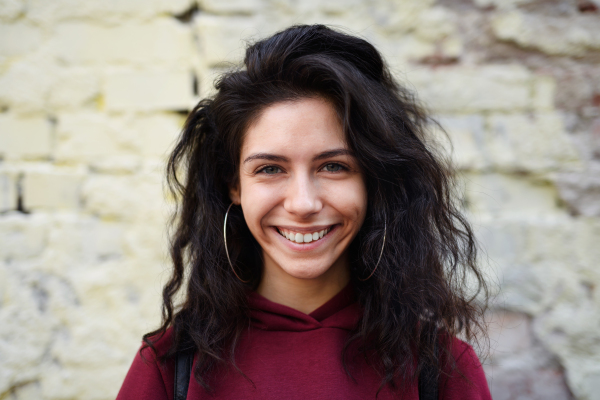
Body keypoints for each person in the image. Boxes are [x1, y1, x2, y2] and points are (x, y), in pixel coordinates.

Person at [116, 24, 491, 399]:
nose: (303, 203)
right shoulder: (171, 365)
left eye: (333, 166)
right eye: (269, 169)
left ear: (373, 180)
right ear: (234, 185)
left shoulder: (439, 367)